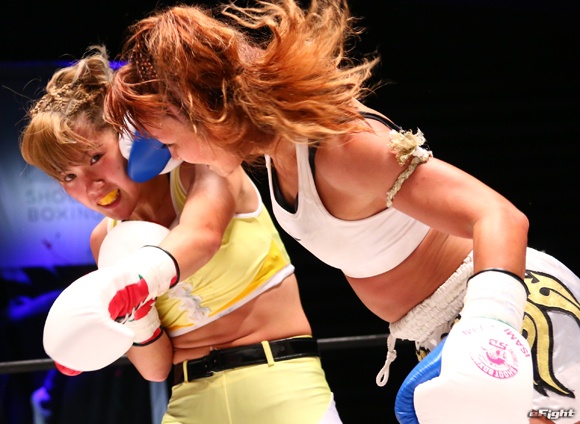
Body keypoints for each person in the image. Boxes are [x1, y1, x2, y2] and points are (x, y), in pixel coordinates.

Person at [103, 1, 580, 423]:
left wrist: (490, 330)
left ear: (204, 109)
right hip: (446, 331)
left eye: (170, 141)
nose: (176, 157)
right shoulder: (279, 153)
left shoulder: (339, 146)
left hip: (511, 314)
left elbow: (498, 216)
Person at [19, 46, 342, 424]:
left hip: (282, 385)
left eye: (95, 157)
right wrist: (134, 317)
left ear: (127, 140)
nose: (91, 185)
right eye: (69, 176)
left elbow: (200, 237)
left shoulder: (200, 165)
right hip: (190, 399)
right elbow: (155, 369)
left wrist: (130, 285)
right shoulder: (105, 241)